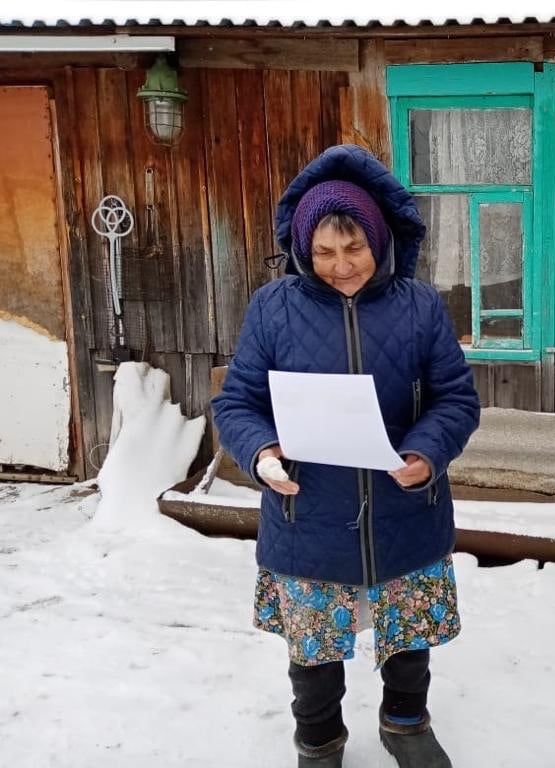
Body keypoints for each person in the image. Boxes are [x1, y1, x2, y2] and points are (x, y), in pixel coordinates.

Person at [212, 145, 480, 768]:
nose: (340, 266)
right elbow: (238, 404)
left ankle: (405, 724)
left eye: (353, 249)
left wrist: (426, 452)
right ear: (304, 251)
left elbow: (456, 399)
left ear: (379, 240)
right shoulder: (272, 309)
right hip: (308, 516)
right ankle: (319, 740)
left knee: (410, 645)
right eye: (324, 253)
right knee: (313, 658)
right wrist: (260, 452)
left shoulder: (418, 306)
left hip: (406, 510)